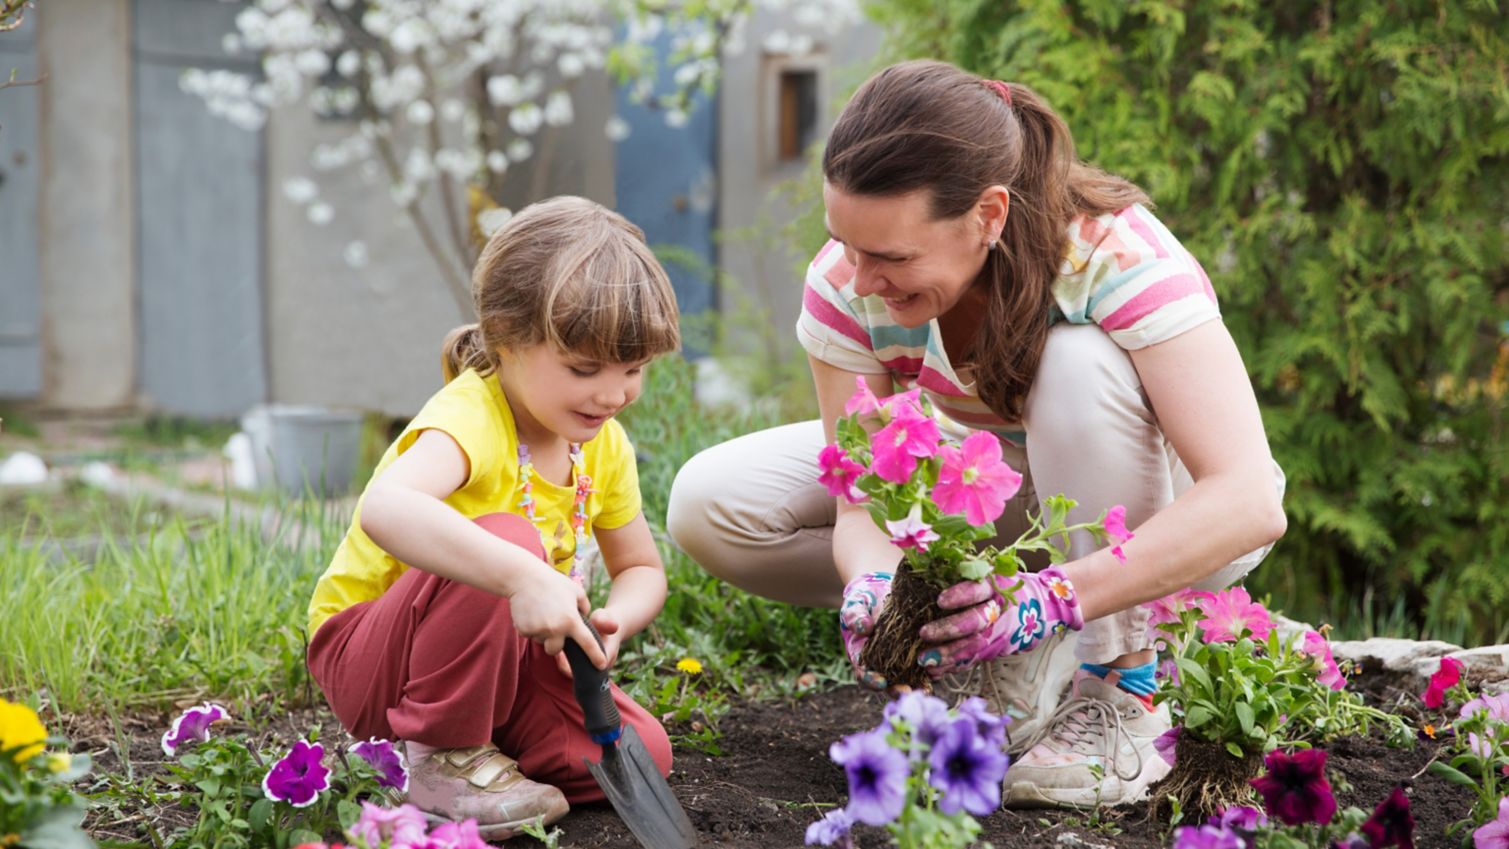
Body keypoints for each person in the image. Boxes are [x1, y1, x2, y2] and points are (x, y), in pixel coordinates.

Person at [667, 59, 1287, 808]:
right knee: (711, 502)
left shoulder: (1111, 256)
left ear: (987, 215)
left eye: (891, 256)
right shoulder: (847, 280)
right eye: (846, 243)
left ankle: (1119, 683)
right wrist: (874, 583)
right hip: (1005, 498)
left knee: (1077, 363)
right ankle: (993, 646)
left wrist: (1052, 595)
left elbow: (1249, 498)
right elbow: (861, 496)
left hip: (1163, 515)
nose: (859, 278)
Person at [306, 196, 681, 837]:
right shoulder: (470, 419)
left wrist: (615, 621)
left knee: (640, 748)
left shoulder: (600, 442)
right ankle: (436, 756)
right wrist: (523, 576)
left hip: (502, 663)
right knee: (512, 540)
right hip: (375, 660)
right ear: (507, 341)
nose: (613, 394)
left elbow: (642, 566)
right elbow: (386, 508)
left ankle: (479, 754)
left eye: (634, 369)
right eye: (584, 368)